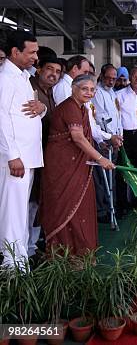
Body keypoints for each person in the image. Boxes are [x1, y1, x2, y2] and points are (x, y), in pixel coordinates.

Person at [40, 74, 114, 255]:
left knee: (81, 207)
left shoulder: (81, 107)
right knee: (65, 207)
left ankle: (79, 253)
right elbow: (78, 138)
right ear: (74, 88)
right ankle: (63, 255)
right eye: (85, 89)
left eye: (92, 90)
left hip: (76, 165)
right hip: (63, 167)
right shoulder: (70, 107)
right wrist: (100, 158)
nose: (89, 93)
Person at [0, 31, 46, 267]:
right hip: (16, 159)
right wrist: (12, 156)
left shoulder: (22, 77)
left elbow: (30, 111)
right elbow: (1, 118)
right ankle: (12, 267)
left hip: (27, 157)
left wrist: (42, 109)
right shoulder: (5, 78)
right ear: (15, 52)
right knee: (12, 214)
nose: (35, 57)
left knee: (20, 213)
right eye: (32, 52)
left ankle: (20, 262)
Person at [28, 57, 62, 256]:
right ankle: (22, 250)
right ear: (38, 70)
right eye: (50, 69)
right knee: (27, 203)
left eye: (58, 71)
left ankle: (31, 246)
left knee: (37, 200)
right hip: (26, 155)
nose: (53, 74)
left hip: (43, 154)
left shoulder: (50, 93)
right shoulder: (29, 87)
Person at [116, 66, 137, 210]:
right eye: (135, 76)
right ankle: (123, 204)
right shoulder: (119, 95)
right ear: (130, 77)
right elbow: (117, 118)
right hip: (125, 136)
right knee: (123, 170)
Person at [92, 64, 124, 222]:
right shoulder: (97, 93)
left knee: (112, 175)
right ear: (102, 76)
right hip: (105, 141)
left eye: (114, 78)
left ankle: (112, 206)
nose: (111, 81)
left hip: (116, 140)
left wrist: (119, 136)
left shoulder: (112, 92)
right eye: (108, 78)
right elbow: (100, 118)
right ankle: (103, 210)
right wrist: (109, 138)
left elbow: (118, 117)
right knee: (103, 177)